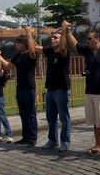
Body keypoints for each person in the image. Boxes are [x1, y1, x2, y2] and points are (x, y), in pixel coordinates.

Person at [66, 28, 100, 159]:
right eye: (87, 39)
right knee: (96, 121)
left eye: (89, 38)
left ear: (97, 39)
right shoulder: (88, 51)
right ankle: (98, 146)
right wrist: (67, 31)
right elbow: (75, 44)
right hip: (91, 91)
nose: (87, 41)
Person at [28, 21, 72, 152]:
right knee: (51, 118)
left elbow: (63, 47)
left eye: (55, 37)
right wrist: (29, 34)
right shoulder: (50, 52)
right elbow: (34, 49)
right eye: (52, 37)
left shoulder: (64, 53)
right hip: (51, 89)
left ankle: (65, 141)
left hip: (62, 89)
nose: (52, 39)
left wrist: (64, 31)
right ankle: (53, 140)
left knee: (64, 118)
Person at [0, 27, 38, 146]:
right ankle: (25, 137)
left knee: (31, 114)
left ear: (25, 44)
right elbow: (9, 66)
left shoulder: (30, 55)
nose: (17, 45)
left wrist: (29, 34)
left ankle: (32, 137)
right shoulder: (17, 56)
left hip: (29, 87)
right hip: (20, 88)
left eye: (19, 43)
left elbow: (33, 50)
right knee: (23, 114)